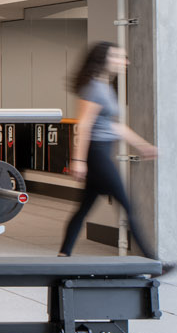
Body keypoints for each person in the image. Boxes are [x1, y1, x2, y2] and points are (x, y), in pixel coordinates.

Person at [58, 41, 166, 264]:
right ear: (104, 59)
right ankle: (153, 261)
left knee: (83, 208)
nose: (125, 62)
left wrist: (143, 146)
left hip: (102, 152)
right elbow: (85, 124)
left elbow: (115, 126)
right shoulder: (94, 88)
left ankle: (63, 255)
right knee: (128, 205)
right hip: (96, 154)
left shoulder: (104, 86)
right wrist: (78, 160)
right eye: (119, 57)